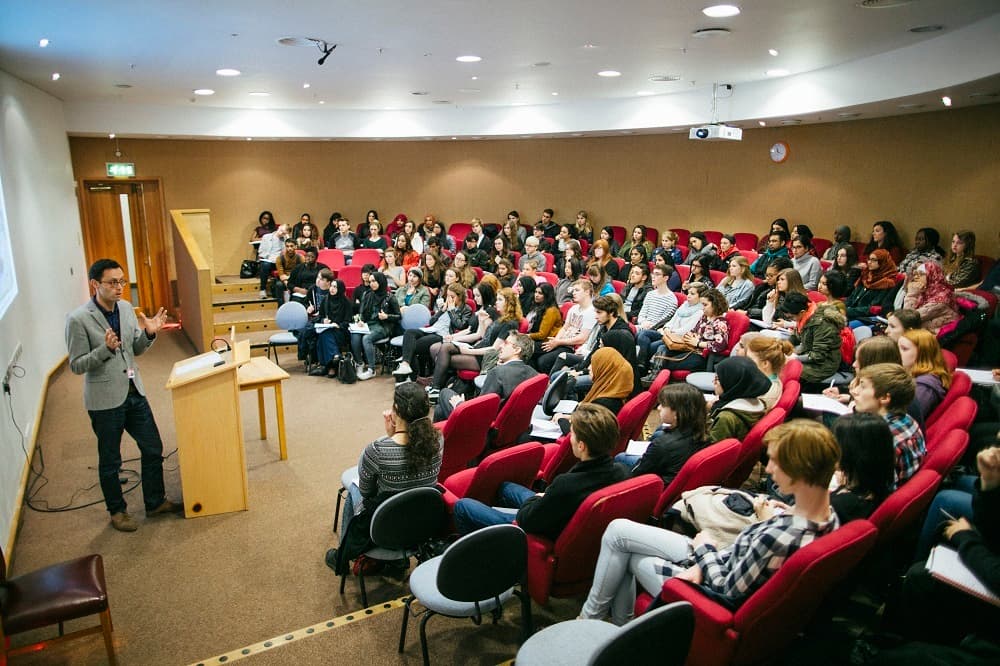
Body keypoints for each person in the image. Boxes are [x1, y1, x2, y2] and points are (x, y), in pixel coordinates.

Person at [578, 419, 840, 626]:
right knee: (618, 530)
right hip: (722, 556)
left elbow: (726, 588)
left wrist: (704, 550)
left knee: (632, 557)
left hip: (709, 579)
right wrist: (773, 517)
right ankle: (616, 627)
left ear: (799, 468)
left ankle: (598, 622)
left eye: (775, 462)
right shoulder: (828, 516)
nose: (769, 469)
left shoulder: (780, 536)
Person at [65, 258, 180, 532]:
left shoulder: (127, 309)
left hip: (134, 391)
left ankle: (154, 502)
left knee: (153, 447)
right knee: (111, 460)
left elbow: (134, 349)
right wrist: (104, 350)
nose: (119, 288)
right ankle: (117, 511)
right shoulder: (78, 319)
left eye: (122, 281)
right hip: (105, 400)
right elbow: (76, 365)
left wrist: (149, 335)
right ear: (95, 284)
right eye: (112, 282)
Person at [452, 403, 628, 538]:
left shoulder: (566, 485)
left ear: (581, 446)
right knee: (506, 487)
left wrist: (539, 498)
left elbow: (525, 520)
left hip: (536, 533)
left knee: (462, 506)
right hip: (561, 514)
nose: (570, 437)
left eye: (572, 433)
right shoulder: (621, 472)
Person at [326, 382, 443, 575]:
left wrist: (388, 437)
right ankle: (397, 561)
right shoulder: (438, 440)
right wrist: (394, 435)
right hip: (420, 522)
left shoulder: (377, 450)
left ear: (395, 411)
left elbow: (367, 492)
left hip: (384, 526)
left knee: (353, 488)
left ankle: (343, 556)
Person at [427, 287, 521, 397]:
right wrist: (481, 321)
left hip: (485, 358)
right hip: (477, 348)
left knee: (443, 355)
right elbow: (481, 335)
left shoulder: (510, 323)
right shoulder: (500, 317)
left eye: (500, 300)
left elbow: (494, 349)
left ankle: (437, 387)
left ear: (509, 303)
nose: (496, 302)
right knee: (441, 348)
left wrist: (467, 351)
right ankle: (438, 386)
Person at [850, 363, 926, 489]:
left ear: (885, 397)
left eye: (862, 387)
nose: (854, 391)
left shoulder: (878, 439)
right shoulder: (908, 419)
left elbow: (870, 489)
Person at [616, 383, 709, 485]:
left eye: (663, 405)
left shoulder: (662, 445)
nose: (659, 408)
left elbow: (637, 472)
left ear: (677, 414)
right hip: (673, 471)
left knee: (620, 457)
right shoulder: (702, 430)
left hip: (657, 484)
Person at [433, 332, 539, 421]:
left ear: (517, 350)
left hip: (483, 427)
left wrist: (460, 404)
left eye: (506, 343)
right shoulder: (534, 374)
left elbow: (480, 411)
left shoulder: (497, 373)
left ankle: (435, 444)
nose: (501, 346)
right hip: (509, 427)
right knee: (439, 410)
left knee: (444, 392)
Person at [393, 283, 472, 382]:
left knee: (412, 346)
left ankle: (411, 376)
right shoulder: (445, 306)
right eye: (448, 296)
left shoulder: (466, 309)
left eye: (452, 296)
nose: (449, 299)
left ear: (459, 297)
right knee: (409, 332)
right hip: (432, 329)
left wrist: (452, 311)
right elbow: (431, 322)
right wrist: (441, 311)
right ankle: (406, 365)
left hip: (443, 335)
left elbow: (460, 326)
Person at [828, 413, 895, 522]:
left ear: (851, 454)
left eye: (835, 444)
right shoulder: (881, 485)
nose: (829, 449)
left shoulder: (839, 505)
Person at [639, 283, 708, 381]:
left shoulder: (700, 312)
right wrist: (666, 328)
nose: (688, 296)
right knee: (643, 334)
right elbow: (670, 322)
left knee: (653, 346)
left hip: (677, 339)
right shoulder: (684, 306)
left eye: (692, 294)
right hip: (667, 334)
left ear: (701, 297)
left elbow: (685, 330)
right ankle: (641, 364)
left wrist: (668, 331)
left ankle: (647, 372)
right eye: (688, 293)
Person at [779, 292, 846, 389]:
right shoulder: (805, 317)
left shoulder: (822, 324)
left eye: (791, 317)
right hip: (808, 352)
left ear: (802, 312)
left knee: (787, 370)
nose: (792, 320)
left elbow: (818, 355)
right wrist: (783, 346)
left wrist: (795, 358)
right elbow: (796, 336)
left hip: (824, 363)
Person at [537, 279, 598, 374]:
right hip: (561, 342)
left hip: (572, 347)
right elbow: (565, 328)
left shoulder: (592, 312)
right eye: (573, 290)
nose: (573, 293)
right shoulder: (573, 308)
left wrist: (558, 342)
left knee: (543, 361)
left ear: (587, 292)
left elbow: (582, 338)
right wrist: (555, 341)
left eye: (577, 290)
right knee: (533, 350)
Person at [707, 356, 771, 442]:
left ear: (734, 383)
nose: (714, 382)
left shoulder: (726, 418)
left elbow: (711, 448)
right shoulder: (761, 404)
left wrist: (703, 415)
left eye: (718, 379)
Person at [351, 271, 401, 380]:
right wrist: (361, 320)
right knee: (354, 335)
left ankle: (371, 370)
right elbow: (362, 312)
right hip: (368, 324)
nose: (371, 284)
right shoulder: (367, 294)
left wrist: (387, 316)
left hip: (382, 326)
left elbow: (398, 316)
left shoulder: (390, 297)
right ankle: (360, 363)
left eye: (374, 281)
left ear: (381, 282)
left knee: (366, 339)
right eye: (370, 281)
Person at [898, 328, 951, 419]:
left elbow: (905, 420)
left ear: (922, 353)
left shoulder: (924, 387)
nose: (897, 353)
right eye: (897, 348)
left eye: (904, 349)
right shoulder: (912, 374)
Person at [901, 261, 960, 335]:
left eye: (921, 274)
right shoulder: (925, 292)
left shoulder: (941, 297)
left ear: (932, 275)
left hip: (936, 339)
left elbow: (908, 319)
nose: (916, 277)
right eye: (916, 274)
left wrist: (911, 294)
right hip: (922, 334)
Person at [312, 278, 353, 378]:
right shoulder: (326, 300)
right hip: (328, 329)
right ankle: (334, 361)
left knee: (325, 335)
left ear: (340, 289)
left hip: (341, 332)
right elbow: (320, 316)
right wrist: (323, 321)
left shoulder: (346, 302)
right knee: (325, 334)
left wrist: (339, 325)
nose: (332, 289)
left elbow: (348, 321)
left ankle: (328, 366)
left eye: (335, 287)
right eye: (331, 286)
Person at [845, 249, 899, 323]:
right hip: (850, 312)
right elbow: (852, 296)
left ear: (882, 262)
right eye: (869, 259)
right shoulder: (866, 275)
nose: (869, 262)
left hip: (865, 317)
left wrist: (847, 311)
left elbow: (871, 308)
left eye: (873, 260)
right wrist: (842, 308)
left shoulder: (887, 283)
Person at [744, 335, 792, 410]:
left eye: (749, 359)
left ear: (765, 364)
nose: (745, 362)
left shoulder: (764, 395)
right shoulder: (767, 380)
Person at [524, 282, 563, 347]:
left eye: (540, 293)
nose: (536, 295)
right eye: (536, 292)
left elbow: (542, 335)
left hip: (546, 342)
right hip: (535, 338)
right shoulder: (537, 306)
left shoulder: (551, 310)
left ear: (547, 295)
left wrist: (525, 336)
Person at [256, 223, 290, 298]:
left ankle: (286, 290)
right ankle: (262, 289)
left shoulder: (285, 240)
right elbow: (260, 251)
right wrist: (269, 257)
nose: (281, 233)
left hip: (279, 261)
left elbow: (287, 253)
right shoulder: (266, 237)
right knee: (265, 264)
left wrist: (287, 239)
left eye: (283, 233)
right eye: (281, 230)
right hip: (268, 260)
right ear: (279, 227)